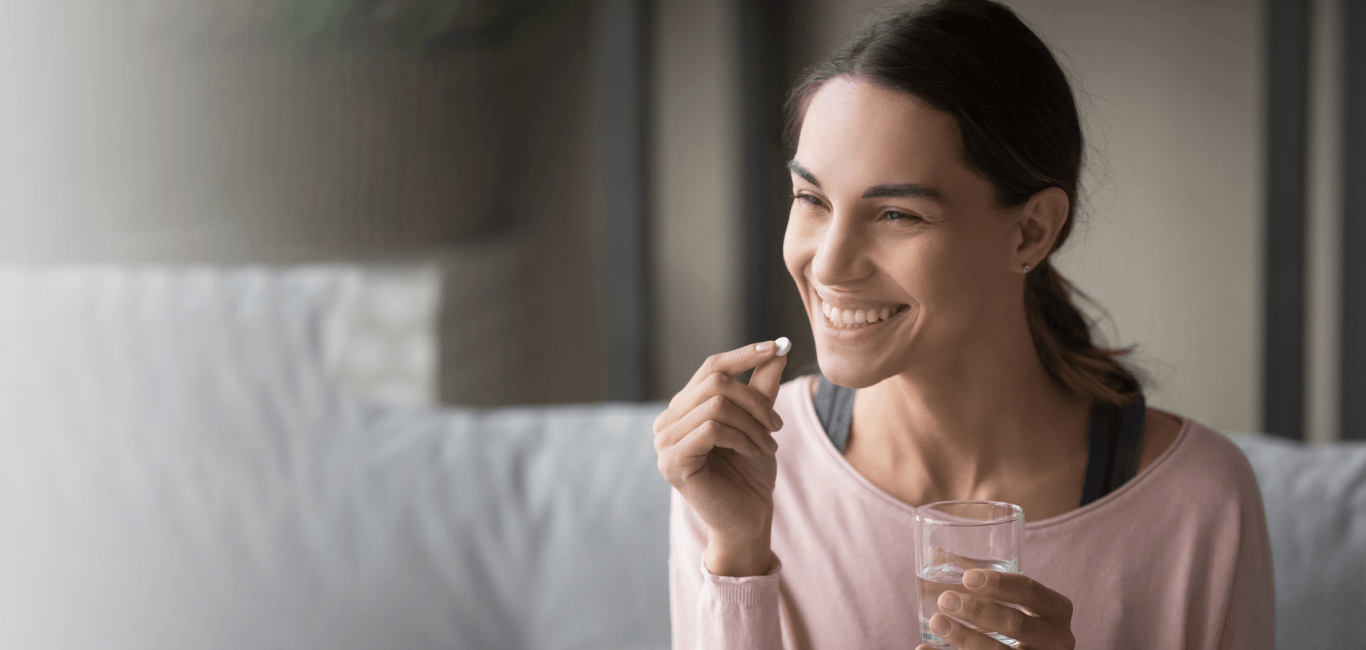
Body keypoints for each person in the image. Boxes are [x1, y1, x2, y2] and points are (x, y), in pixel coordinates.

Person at [651, 1, 1276, 648]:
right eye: (811, 199)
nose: (829, 264)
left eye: (896, 215)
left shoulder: (1200, 504)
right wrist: (738, 553)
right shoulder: (736, 466)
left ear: (1030, 231)